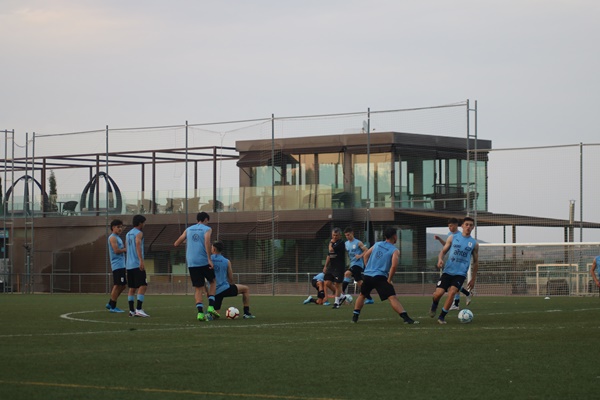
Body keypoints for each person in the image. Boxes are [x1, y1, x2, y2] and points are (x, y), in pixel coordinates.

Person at [351, 227, 418, 324]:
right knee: (392, 297)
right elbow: (394, 266)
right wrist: (389, 279)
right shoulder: (394, 250)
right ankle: (406, 318)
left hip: (368, 275)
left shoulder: (377, 244)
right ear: (394, 236)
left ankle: (355, 317)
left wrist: (368, 268)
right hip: (380, 277)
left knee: (362, 295)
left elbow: (365, 255)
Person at [430, 216, 479, 324]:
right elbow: (443, 252)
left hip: (460, 274)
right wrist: (440, 260)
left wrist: (473, 279)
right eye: (466, 224)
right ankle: (434, 305)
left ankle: (442, 317)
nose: (468, 227)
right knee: (438, 294)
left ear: (473, 227)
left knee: (452, 292)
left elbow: (476, 262)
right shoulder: (452, 238)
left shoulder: (474, 244)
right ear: (462, 226)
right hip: (448, 271)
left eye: (471, 225)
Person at [174, 211, 219, 322]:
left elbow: (176, 243)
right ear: (206, 220)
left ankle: (200, 313)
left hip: (191, 262)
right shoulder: (207, 229)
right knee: (212, 281)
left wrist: (190, 242)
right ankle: (211, 306)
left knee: (198, 288)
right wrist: (209, 259)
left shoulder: (188, 229)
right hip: (203, 260)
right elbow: (207, 242)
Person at [434, 218, 474, 310]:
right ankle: (466, 294)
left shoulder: (461, 235)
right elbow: (446, 245)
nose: (450, 228)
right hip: (451, 264)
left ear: (457, 225)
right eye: (448, 226)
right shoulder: (450, 235)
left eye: (451, 225)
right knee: (452, 287)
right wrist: (440, 239)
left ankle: (455, 303)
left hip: (459, 266)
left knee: (454, 288)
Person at [211, 241, 255, 318]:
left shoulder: (208, 260)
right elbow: (231, 278)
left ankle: (209, 314)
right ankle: (246, 313)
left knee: (215, 316)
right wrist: (231, 285)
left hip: (213, 291)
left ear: (214, 249)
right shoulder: (226, 261)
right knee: (246, 289)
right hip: (225, 288)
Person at [125, 214, 149, 317]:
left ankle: (131, 311)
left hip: (129, 264)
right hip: (136, 264)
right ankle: (139, 309)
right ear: (140, 223)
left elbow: (127, 247)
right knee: (143, 285)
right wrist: (141, 260)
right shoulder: (139, 233)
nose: (144, 224)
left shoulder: (128, 234)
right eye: (143, 222)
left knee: (132, 288)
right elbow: (138, 245)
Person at [342, 227, 373, 304]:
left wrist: (360, 256)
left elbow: (366, 250)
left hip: (358, 264)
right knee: (359, 282)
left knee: (347, 274)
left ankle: (341, 294)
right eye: (346, 235)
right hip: (352, 264)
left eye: (348, 235)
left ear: (352, 233)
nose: (347, 237)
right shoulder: (346, 244)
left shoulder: (358, 242)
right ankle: (369, 298)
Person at [105, 219, 127, 313]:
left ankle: (110, 303)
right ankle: (113, 307)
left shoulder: (118, 237)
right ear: (113, 227)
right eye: (118, 227)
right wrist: (126, 250)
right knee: (118, 285)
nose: (120, 229)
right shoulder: (112, 237)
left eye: (121, 227)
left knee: (123, 286)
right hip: (117, 265)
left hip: (122, 264)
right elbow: (116, 250)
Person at [323, 227, 347, 309]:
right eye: (333, 235)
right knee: (327, 283)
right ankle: (341, 296)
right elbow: (329, 255)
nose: (334, 237)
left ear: (340, 235)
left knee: (337, 284)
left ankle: (337, 302)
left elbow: (331, 250)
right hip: (332, 267)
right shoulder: (333, 242)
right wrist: (325, 266)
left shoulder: (341, 243)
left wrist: (330, 243)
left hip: (339, 267)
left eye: (336, 235)